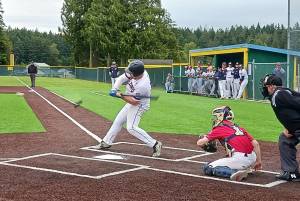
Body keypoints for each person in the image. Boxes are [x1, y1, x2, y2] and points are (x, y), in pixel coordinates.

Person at [96, 60, 162, 157]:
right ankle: (106, 142)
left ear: (136, 74)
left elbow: (133, 101)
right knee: (118, 121)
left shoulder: (143, 86)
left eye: (131, 73)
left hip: (139, 105)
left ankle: (155, 144)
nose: (129, 74)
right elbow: (121, 78)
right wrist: (115, 88)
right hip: (132, 99)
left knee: (131, 128)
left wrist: (119, 95)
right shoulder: (136, 71)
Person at [197, 106, 262, 181]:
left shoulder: (219, 128)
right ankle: (245, 167)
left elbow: (200, 143)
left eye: (216, 117)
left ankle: (233, 173)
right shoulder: (238, 127)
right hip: (252, 158)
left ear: (221, 116)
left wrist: (202, 138)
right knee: (230, 157)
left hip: (240, 159)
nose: (214, 119)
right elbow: (256, 144)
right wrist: (258, 161)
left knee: (208, 167)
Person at [261, 74, 300, 181]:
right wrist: (290, 127)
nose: (265, 88)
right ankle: (291, 172)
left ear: (272, 86)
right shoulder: (280, 94)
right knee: (285, 139)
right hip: (295, 129)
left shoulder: (280, 94)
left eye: (266, 86)